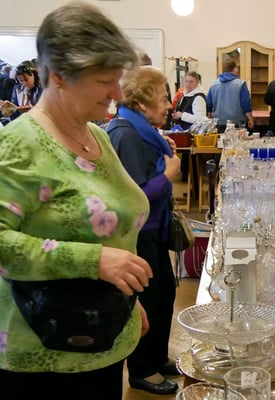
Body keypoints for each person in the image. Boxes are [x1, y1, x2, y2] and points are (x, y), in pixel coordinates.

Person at [0, 3, 153, 399]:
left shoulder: (96, 135)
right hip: (45, 356)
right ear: (58, 76)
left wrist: (123, 302)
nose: (117, 93)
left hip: (100, 336)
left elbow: (113, 228)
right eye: (105, 80)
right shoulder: (19, 144)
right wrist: (94, 261)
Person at [107, 66, 181, 395]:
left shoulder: (141, 130)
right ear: (142, 101)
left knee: (164, 294)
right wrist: (168, 176)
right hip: (139, 233)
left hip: (154, 229)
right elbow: (132, 195)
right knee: (148, 300)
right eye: (163, 98)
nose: (168, 105)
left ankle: (157, 357)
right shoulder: (125, 133)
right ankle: (142, 369)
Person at [206, 59, 254, 132]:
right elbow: (246, 104)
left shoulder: (214, 85)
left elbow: (209, 103)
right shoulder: (241, 84)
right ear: (235, 69)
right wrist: (250, 119)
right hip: (237, 122)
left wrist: (210, 117)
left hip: (218, 122)